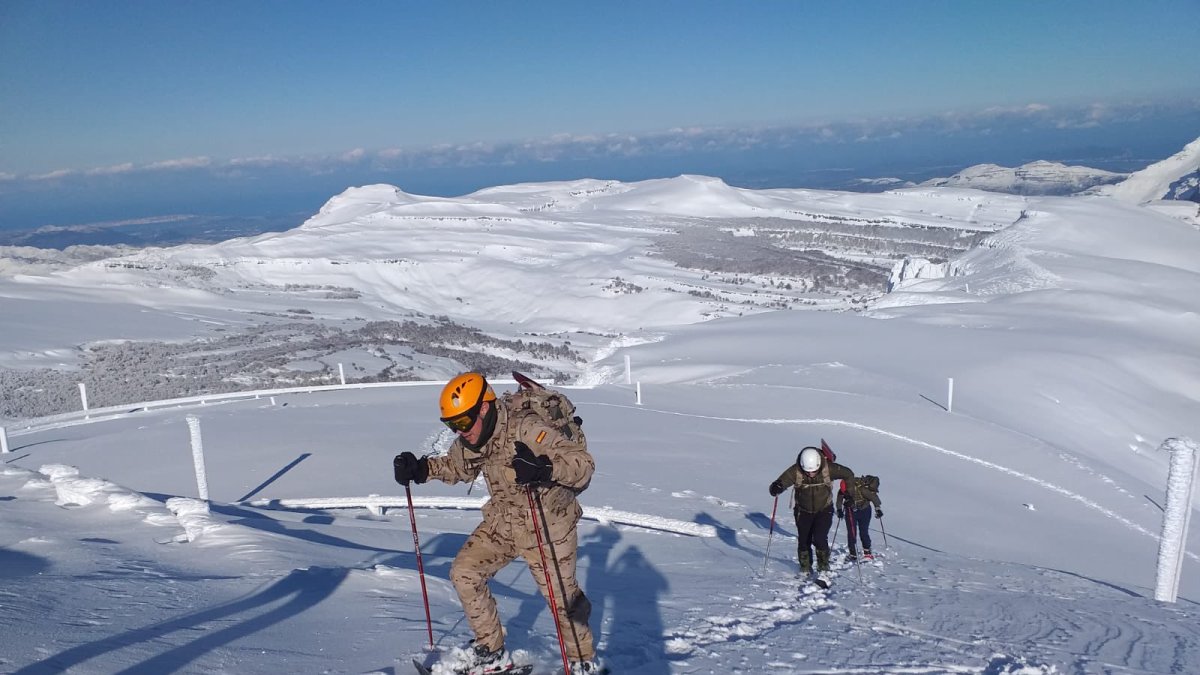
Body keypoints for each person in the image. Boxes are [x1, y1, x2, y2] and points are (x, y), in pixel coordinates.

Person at [393, 372, 604, 675]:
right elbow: (457, 467)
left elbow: (583, 465)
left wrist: (544, 467)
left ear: (483, 408)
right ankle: (491, 653)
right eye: (452, 425)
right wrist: (421, 469)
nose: (460, 431)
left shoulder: (527, 428)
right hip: (505, 521)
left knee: (563, 602)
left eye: (463, 422)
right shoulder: (476, 435)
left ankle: (583, 663)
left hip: (547, 525)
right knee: (465, 572)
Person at [768, 446, 854, 579]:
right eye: (807, 471)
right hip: (803, 511)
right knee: (804, 540)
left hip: (824, 509)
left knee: (820, 538)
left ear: (819, 464)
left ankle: (823, 567)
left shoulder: (829, 468)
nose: (810, 474)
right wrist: (776, 487)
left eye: (814, 471)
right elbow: (781, 482)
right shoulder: (796, 470)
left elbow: (848, 474)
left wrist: (849, 494)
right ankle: (805, 567)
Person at [837, 475, 883, 560]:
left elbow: (874, 498)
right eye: (844, 492)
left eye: (846, 491)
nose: (845, 493)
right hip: (850, 512)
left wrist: (878, 509)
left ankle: (867, 550)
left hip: (864, 510)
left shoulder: (861, 489)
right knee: (851, 532)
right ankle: (853, 553)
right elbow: (839, 500)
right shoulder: (842, 491)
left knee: (864, 531)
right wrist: (839, 510)